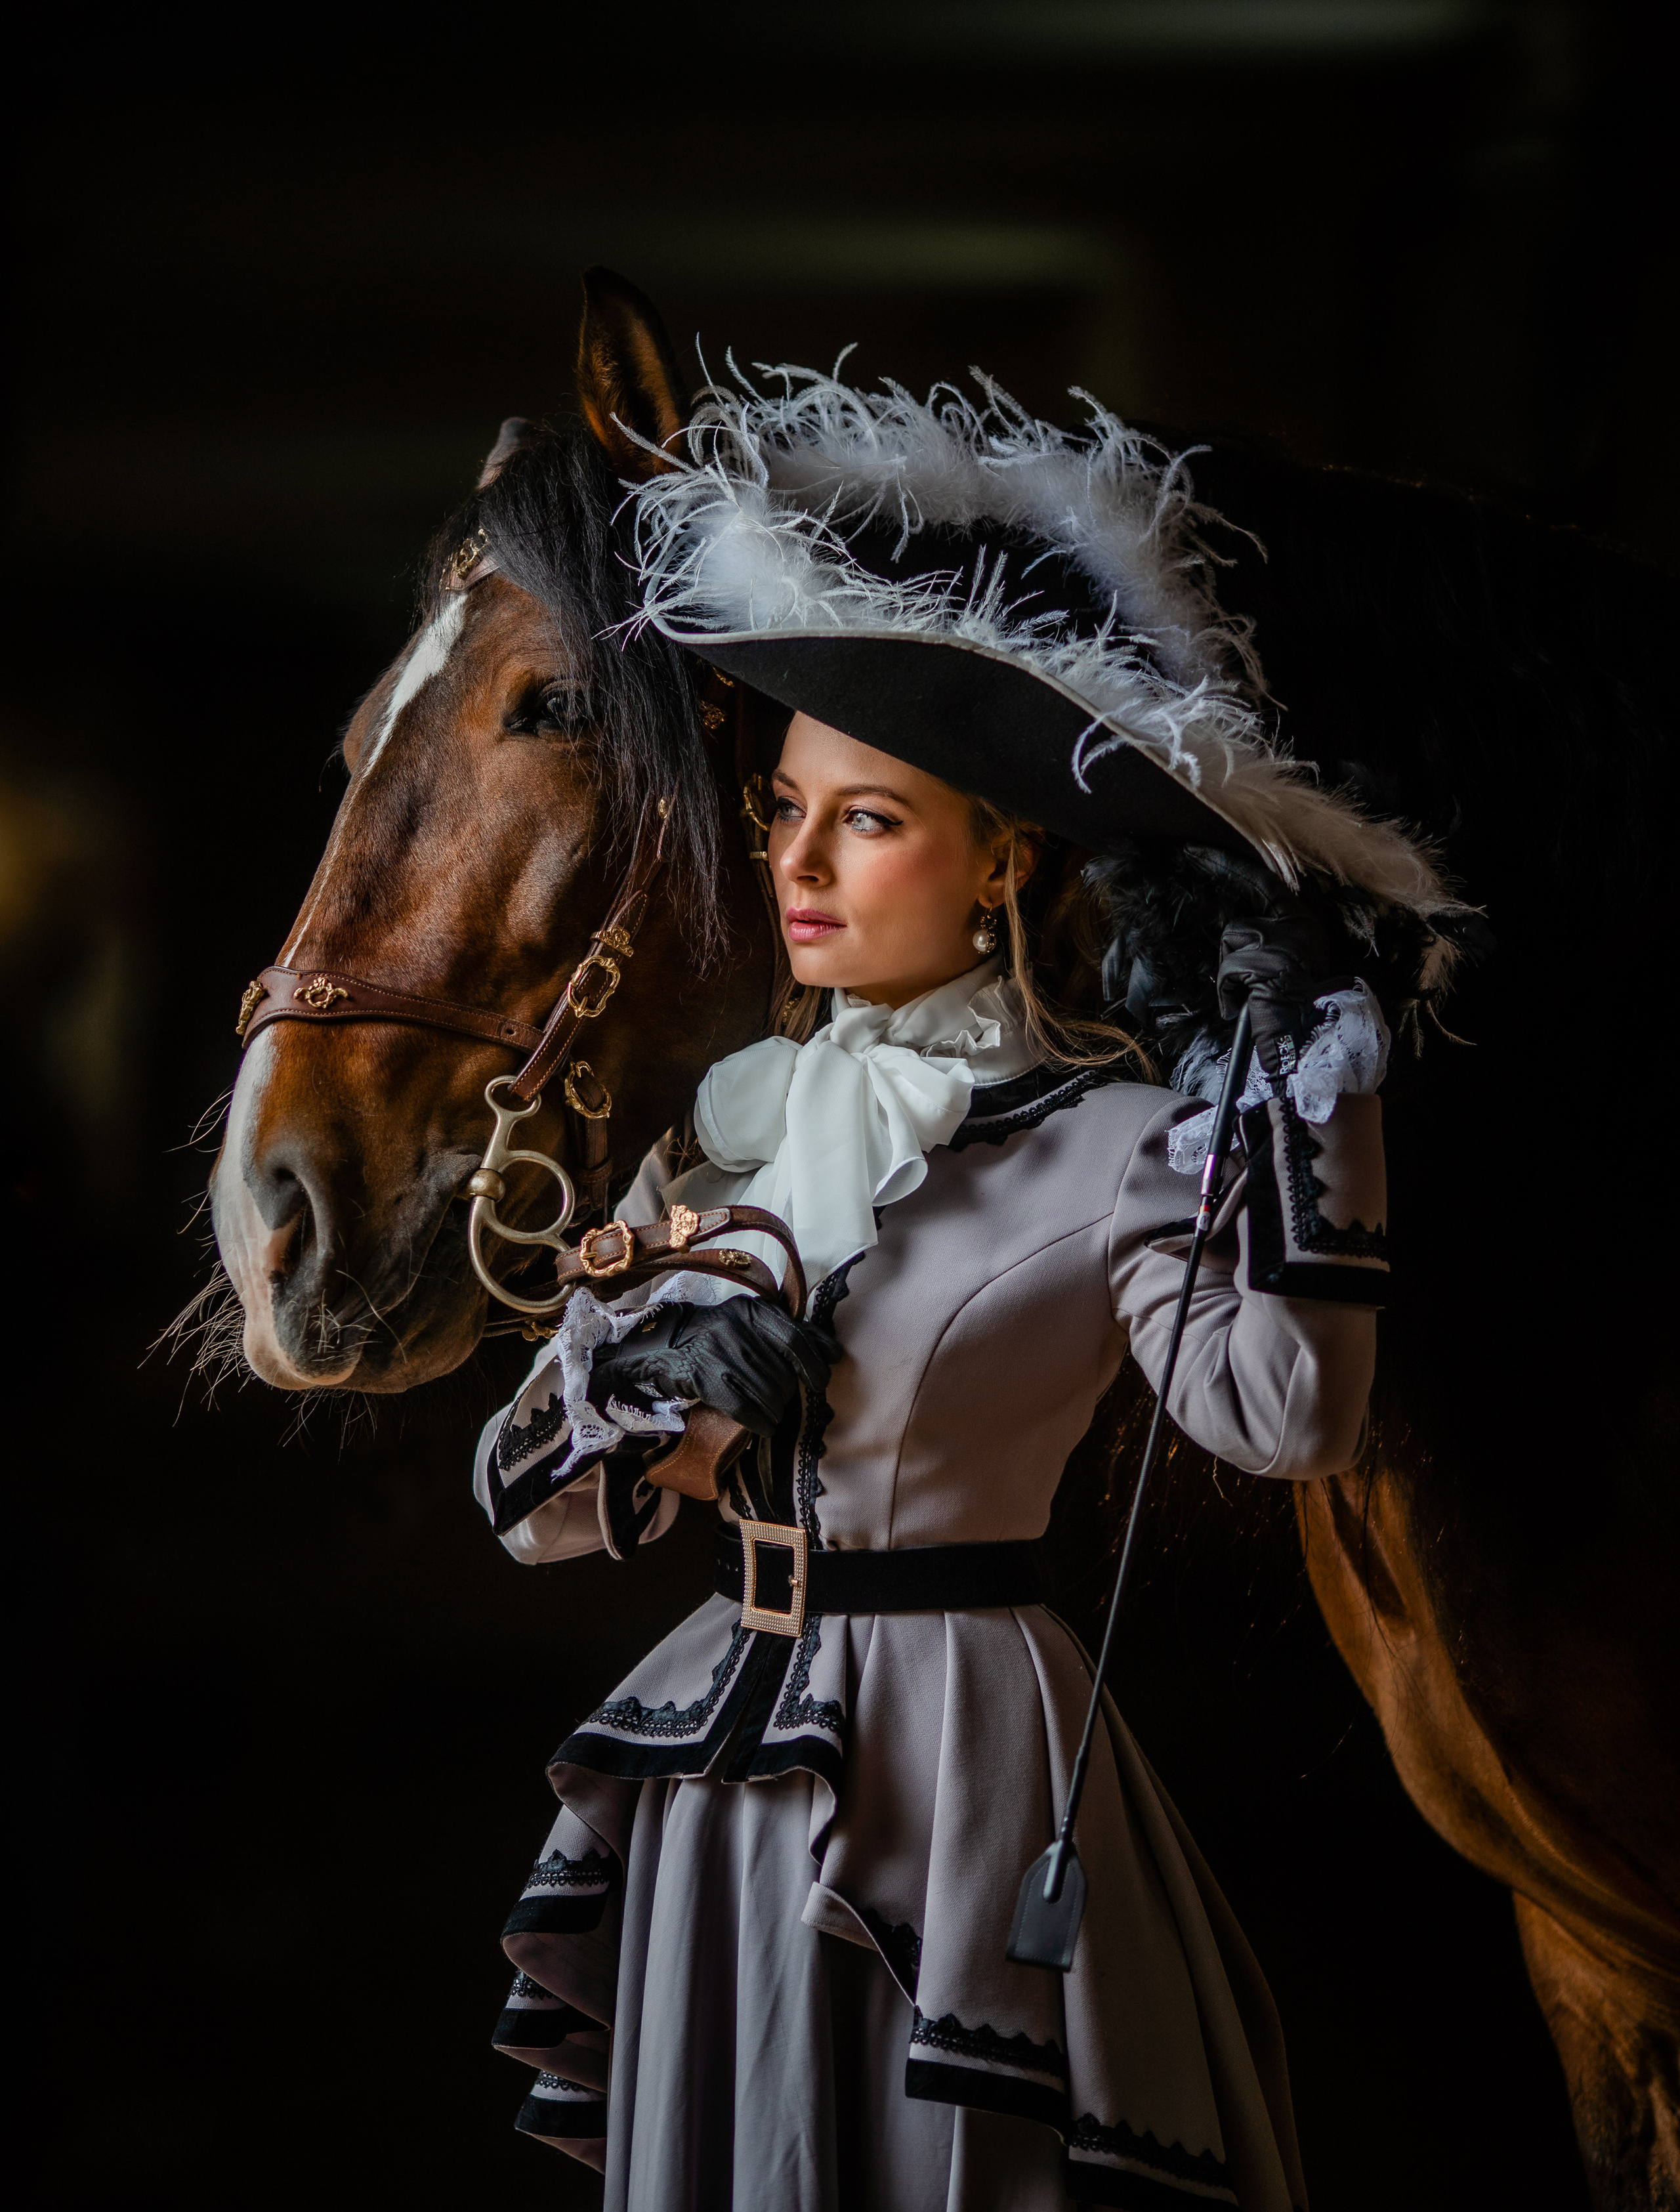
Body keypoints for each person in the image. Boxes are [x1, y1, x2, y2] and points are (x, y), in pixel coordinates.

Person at [472, 362, 1459, 2211]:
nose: (797, 863)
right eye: (785, 811)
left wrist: (1311, 1078)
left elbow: (1294, 1413)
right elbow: (528, 1503)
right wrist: (640, 1378)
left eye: (868, 818)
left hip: (965, 1760)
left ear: (1002, 853)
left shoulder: (1117, 1141)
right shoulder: (741, 1131)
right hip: (729, 1764)